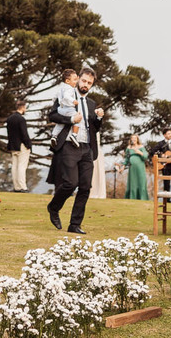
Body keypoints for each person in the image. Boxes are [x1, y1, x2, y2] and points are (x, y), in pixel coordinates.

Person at [47, 67, 103, 234]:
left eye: (89, 83)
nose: (86, 84)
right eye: (84, 81)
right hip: (69, 145)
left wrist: (99, 118)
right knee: (70, 183)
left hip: (87, 147)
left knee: (85, 187)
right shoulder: (66, 96)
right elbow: (53, 116)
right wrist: (71, 119)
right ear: (78, 79)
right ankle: (53, 207)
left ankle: (74, 225)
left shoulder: (92, 104)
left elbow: (95, 129)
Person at [5, 101, 32, 192]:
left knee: (15, 166)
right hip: (21, 145)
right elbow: (24, 134)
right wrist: (28, 145)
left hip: (13, 145)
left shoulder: (10, 119)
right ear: (23, 107)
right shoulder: (21, 119)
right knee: (22, 166)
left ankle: (16, 186)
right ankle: (22, 186)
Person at [52, 68, 81, 148]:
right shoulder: (70, 88)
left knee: (60, 124)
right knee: (78, 119)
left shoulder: (61, 88)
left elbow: (55, 98)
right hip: (68, 108)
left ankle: (54, 136)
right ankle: (74, 135)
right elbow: (66, 96)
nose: (77, 82)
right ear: (68, 81)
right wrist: (73, 100)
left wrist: (57, 102)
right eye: (75, 80)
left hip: (60, 109)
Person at [123, 135, 150, 200]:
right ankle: (132, 197)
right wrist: (123, 166)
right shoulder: (129, 148)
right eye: (132, 138)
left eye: (135, 138)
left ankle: (142, 197)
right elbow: (126, 158)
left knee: (141, 181)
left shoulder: (141, 147)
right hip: (132, 168)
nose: (134, 139)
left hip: (140, 167)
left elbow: (146, 156)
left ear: (137, 139)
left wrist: (140, 152)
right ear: (131, 140)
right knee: (133, 182)